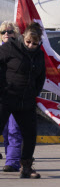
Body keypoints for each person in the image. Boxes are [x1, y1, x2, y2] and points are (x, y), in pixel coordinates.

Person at [0, 22, 46, 179]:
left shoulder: (39, 55)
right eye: (28, 42)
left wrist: (34, 93)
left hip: (25, 100)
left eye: (34, 43)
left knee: (30, 134)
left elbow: (41, 77)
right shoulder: (9, 48)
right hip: (6, 97)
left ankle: (26, 167)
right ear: (23, 38)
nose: (31, 45)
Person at [0, 21, 22, 172]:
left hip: (17, 96)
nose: (6, 33)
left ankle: (12, 161)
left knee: (14, 129)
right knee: (5, 130)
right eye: (3, 32)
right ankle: (12, 159)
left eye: (9, 31)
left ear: (16, 34)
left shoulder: (23, 52)